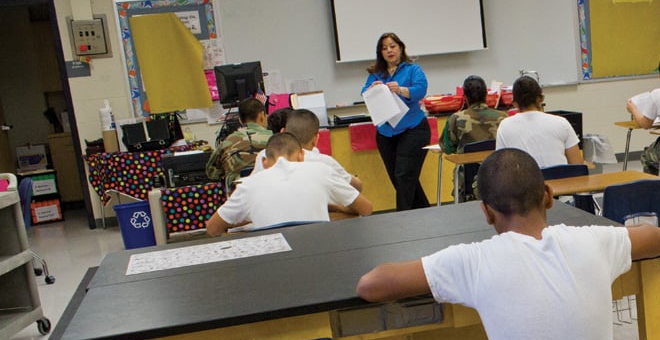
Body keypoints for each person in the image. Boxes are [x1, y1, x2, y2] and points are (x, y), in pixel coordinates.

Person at [356, 148, 660, 340]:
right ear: (548, 196)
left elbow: (371, 285)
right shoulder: (595, 240)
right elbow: (659, 238)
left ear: (487, 211)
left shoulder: (472, 262)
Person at [206, 133, 372, 236]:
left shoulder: (248, 185)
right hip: (319, 258)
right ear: (301, 156)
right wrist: (333, 208)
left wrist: (248, 217)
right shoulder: (321, 170)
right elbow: (366, 208)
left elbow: (213, 229)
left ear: (264, 162)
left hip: (271, 266)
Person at [361, 32, 430, 211]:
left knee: (404, 176)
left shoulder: (412, 69)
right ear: (380, 53)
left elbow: (420, 90)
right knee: (401, 179)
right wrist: (373, 88)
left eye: (392, 46)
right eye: (384, 48)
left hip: (413, 129)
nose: (389, 50)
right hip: (386, 132)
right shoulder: (376, 74)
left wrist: (400, 89)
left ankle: (403, 219)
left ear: (400, 48)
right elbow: (364, 92)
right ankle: (424, 213)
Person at [439, 75, 507, 201]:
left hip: (467, 180)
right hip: (499, 176)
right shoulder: (503, 117)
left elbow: (447, 148)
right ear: (486, 94)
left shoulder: (456, 118)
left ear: (464, 97)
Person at [495, 75, 582, 168]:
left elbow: (502, 167)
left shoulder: (505, 126)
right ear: (540, 98)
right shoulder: (562, 123)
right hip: (560, 181)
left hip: (525, 182)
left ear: (515, 103)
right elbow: (577, 166)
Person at [205, 98, 272, 188]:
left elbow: (211, 173)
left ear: (240, 120)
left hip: (237, 196)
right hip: (269, 192)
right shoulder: (276, 140)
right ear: (262, 116)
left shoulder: (227, 142)